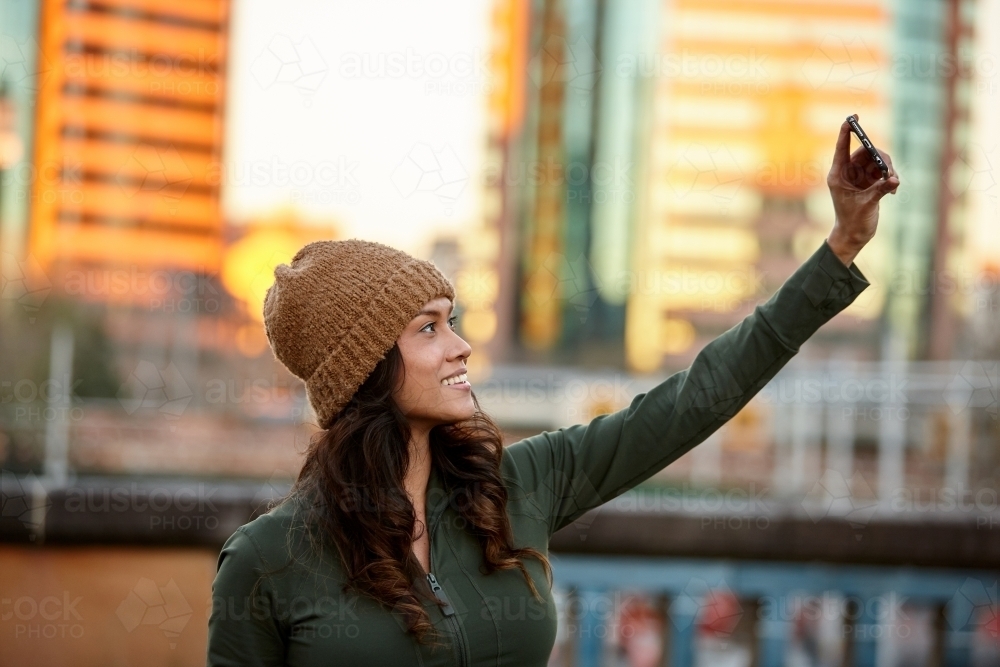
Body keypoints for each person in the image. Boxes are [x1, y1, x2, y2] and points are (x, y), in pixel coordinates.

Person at [206, 117, 899, 666]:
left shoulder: (519, 485)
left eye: (454, 321)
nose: (461, 346)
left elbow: (696, 398)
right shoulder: (268, 559)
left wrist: (839, 247)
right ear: (363, 368)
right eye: (428, 329)